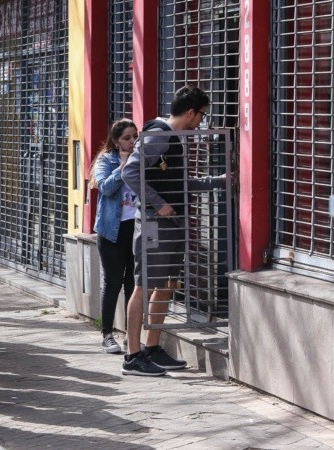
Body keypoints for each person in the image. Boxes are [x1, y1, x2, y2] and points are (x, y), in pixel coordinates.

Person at [120, 85, 226, 376]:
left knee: (166, 284)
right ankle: (132, 356)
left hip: (172, 223)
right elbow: (129, 172)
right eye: (201, 115)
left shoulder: (173, 138)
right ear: (191, 112)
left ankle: (152, 347)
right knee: (144, 285)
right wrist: (158, 204)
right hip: (155, 223)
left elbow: (180, 183)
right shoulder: (160, 135)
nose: (201, 122)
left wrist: (219, 180)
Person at [91, 118, 138, 354]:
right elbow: (106, 188)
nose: (132, 142)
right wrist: (123, 167)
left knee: (133, 283)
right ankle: (107, 334)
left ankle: (131, 336)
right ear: (116, 141)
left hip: (135, 228)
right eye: (127, 138)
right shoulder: (106, 160)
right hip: (111, 231)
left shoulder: (141, 158)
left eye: (135, 137)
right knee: (113, 282)